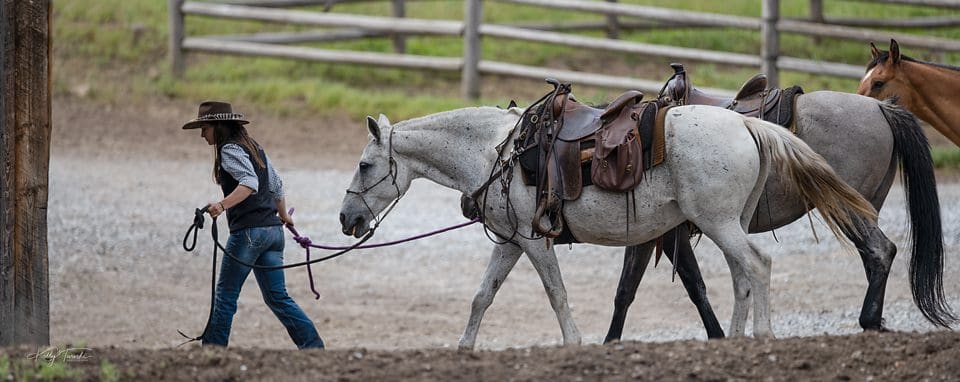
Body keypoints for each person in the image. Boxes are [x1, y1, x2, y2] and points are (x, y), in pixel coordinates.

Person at [182, 101, 324, 349]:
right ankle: (314, 348)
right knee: (277, 297)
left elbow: (249, 182)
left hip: (249, 234)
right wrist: (283, 216)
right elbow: (276, 184)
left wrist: (222, 205)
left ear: (218, 126)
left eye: (204, 128)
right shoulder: (254, 147)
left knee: (226, 296)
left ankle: (212, 353)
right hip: (273, 233)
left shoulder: (229, 150)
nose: (202, 134)